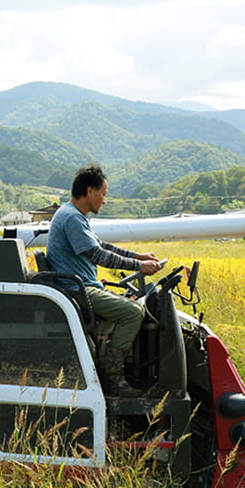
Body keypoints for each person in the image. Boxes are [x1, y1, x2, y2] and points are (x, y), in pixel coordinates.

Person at [46, 164, 161, 396]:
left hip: (80, 286)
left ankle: (106, 363)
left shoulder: (73, 215)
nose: (104, 200)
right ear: (90, 191)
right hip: (78, 290)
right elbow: (98, 255)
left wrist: (138, 256)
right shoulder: (71, 218)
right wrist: (139, 266)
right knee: (133, 313)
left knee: (129, 305)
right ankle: (112, 377)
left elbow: (101, 246)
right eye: (104, 194)